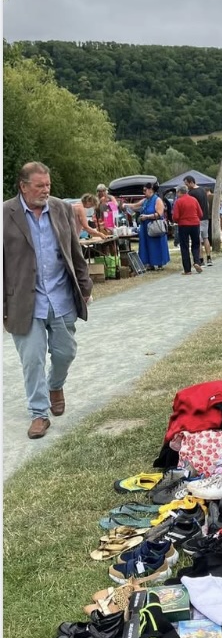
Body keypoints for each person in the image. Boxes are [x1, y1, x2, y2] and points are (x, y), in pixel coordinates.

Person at [3, 162, 94, 439]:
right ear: (23, 186)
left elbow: (74, 251)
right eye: (39, 186)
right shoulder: (5, 214)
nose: (45, 190)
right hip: (23, 303)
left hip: (61, 297)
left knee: (66, 353)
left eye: (48, 185)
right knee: (32, 360)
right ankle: (39, 414)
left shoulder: (61, 208)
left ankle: (55, 384)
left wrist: (85, 286)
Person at [172, 182, 204, 276]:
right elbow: (200, 214)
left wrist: (176, 220)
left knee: (184, 246)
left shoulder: (178, 201)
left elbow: (176, 216)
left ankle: (187, 269)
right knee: (196, 244)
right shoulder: (194, 200)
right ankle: (197, 262)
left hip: (183, 225)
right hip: (195, 224)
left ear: (179, 192)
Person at [136, 182, 170, 270]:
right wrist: (125, 205)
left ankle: (159, 263)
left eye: (145, 190)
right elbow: (135, 206)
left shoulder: (157, 200)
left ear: (150, 190)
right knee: (147, 245)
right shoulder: (145, 200)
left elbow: (159, 214)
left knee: (156, 245)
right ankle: (149, 263)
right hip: (145, 226)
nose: (144, 192)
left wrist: (147, 216)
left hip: (155, 226)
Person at [184, 177, 213, 267]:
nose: (186, 186)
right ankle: (209, 258)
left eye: (187, 184)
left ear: (191, 182)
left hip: (197, 218)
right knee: (206, 238)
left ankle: (201, 260)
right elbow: (207, 204)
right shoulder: (203, 190)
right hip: (205, 217)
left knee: (198, 240)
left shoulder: (191, 193)